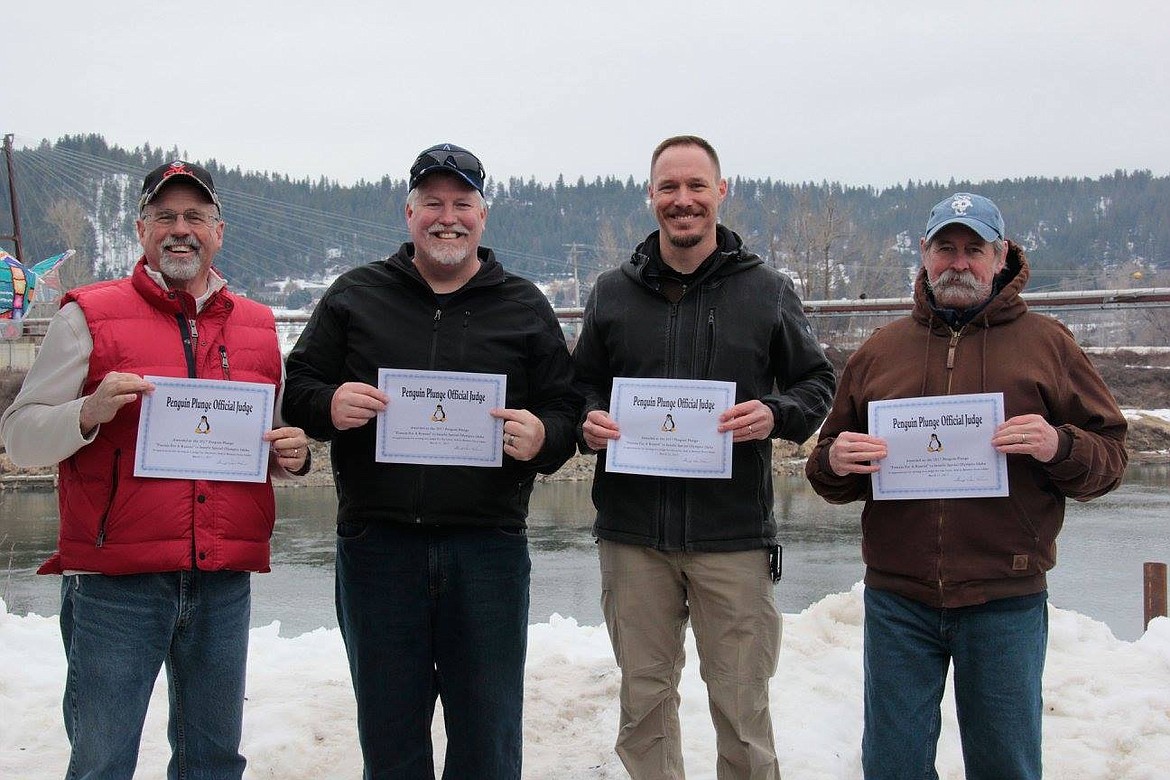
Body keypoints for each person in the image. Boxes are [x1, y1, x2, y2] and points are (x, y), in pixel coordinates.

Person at [0, 159, 310, 779]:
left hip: (222, 581)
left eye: (195, 216)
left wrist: (290, 457)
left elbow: (262, 445)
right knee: (102, 761)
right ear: (141, 230)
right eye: (165, 216)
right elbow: (19, 438)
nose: (180, 229)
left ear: (219, 231)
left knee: (214, 762)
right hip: (115, 584)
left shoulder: (256, 325)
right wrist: (86, 412)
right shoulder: (86, 314)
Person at [281, 143, 579, 779]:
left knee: (488, 736)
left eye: (462, 203)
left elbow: (566, 408)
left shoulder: (524, 306)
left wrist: (544, 438)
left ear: (483, 214)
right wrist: (330, 402)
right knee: (390, 737)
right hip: (377, 546)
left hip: (488, 549)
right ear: (409, 213)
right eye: (433, 204)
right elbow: (297, 386)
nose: (449, 217)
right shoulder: (354, 296)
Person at [805, 192, 1128, 779]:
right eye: (945, 249)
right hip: (898, 599)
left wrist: (1060, 446)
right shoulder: (880, 351)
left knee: (1005, 765)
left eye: (973, 249)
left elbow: (1110, 457)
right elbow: (826, 470)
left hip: (1005, 597)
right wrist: (836, 462)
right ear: (924, 256)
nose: (958, 263)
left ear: (1000, 256)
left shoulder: (1049, 344)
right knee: (891, 767)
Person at [572, 135, 837, 779]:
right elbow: (576, 386)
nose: (682, 201)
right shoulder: (612, 292)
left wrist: (777, 414)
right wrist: (587, 420)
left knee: (743, 712)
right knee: (643, 706)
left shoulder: (768, 290)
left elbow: (816, 382)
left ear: (722, 191)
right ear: (651, 197)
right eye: (669, 188)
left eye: (696, 187)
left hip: (733, 536)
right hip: (634, 536)